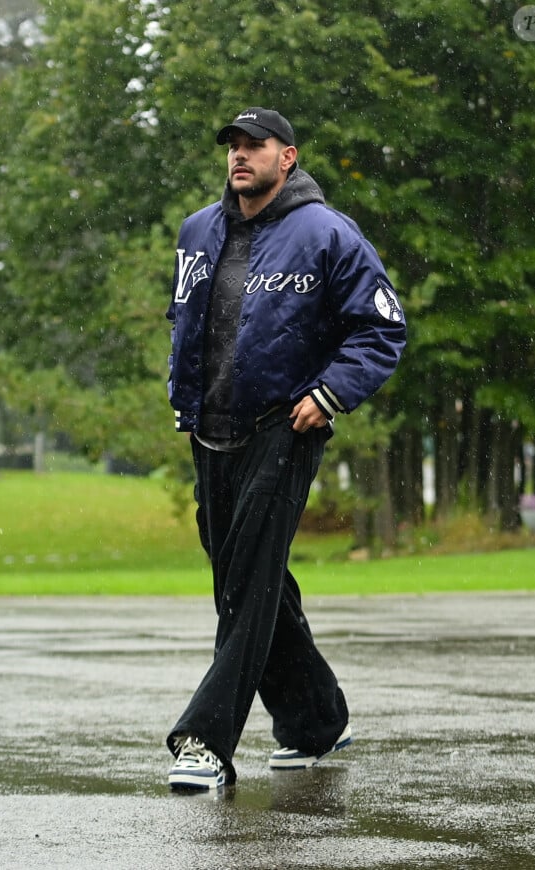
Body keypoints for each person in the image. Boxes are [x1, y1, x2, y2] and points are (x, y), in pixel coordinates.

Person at [165, 107, 406, 790]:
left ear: (288, 157)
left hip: (285, 425)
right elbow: (183, 323)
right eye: (233, 147)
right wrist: (182, 399)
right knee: (244, 578)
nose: (240, 157)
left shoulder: (327, 233)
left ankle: (205, 742)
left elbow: (381, 328)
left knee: (246, 586)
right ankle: (315, 721)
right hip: (209, 428)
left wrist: (328, 394)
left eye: (255, 146)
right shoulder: (196, 232)